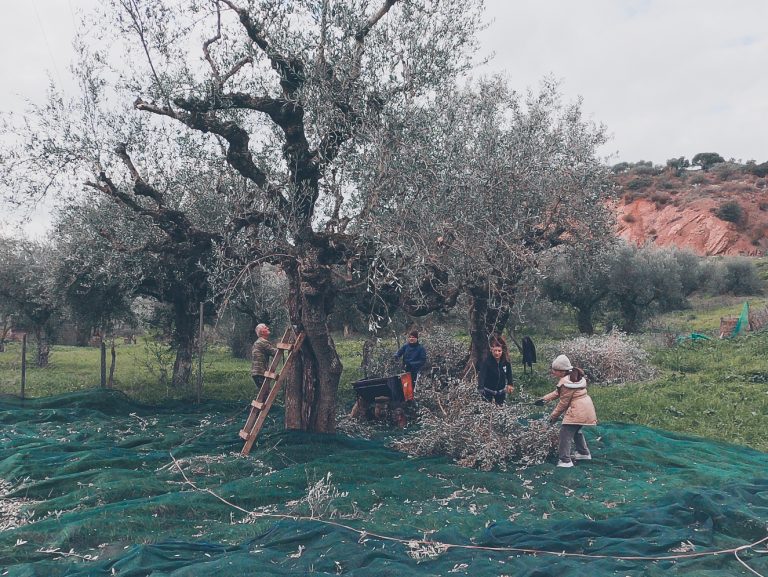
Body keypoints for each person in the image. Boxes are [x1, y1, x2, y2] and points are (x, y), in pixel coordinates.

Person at [535, 354, 597, 468]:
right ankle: (583, 453)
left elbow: (563, 403)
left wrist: (552, 417)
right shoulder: (571, 378)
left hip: (577, 410)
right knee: (576, 431)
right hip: (586, 408)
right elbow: (557, 393)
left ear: (562, 371)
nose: (553, 372)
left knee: (565, 433)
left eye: (555, 370)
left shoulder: (566, 383)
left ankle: (565, 460)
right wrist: (544, 399)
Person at [478, 338, 514, 406]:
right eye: (495, 351)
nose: (497, 353)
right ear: (491, 350)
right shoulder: (487, 361)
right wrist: (480, 387)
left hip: (501, 390)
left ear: (502, 351)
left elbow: (509, 373)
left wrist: (510, 384)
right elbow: (482, 375)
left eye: (499, 351)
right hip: (488, 390)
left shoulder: (506, 361)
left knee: (500, 408)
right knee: (486, 408)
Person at [251, 323, 277, 394]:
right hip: (260, 372)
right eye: (265, 328)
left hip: (257, 372)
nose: (268, 328)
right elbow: (275, 353)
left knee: (264, 394)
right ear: (262, 332)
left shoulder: (258, 342)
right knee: (266, 394)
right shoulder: (263, 342)